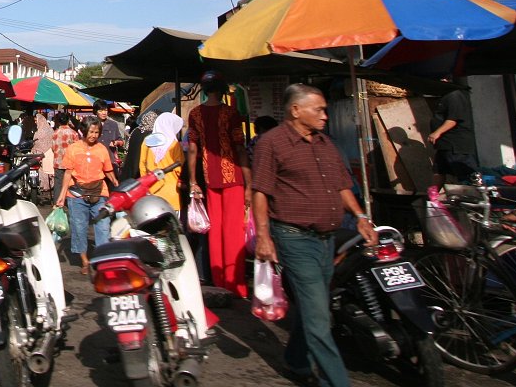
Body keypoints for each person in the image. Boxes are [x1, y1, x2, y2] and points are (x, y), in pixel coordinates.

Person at [253, 83, 377, 387]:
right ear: (296, 110)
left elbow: (342, 185)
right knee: (320, 316)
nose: (325, 115)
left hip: (327, 238)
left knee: (315, 305)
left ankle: (297, 360)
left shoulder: (325, 143)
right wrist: (264, 237)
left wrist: (361, 217)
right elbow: (260, 193)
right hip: (294, 238)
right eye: (319, 109)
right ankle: (336, 381)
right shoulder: (272, 143)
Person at [186, 70, 251, 298]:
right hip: (233, 177)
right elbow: (240, 148)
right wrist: (249, 183)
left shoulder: (195, 114)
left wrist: (194, 181)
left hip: (210, 178)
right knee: (233, 231)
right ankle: (236, 285)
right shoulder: (231, 113)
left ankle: (220, 283)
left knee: (215, 232)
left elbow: (192, 149)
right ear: (223, 89)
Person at [54, 118, 118, 275]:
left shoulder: (102, 149)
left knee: (103, 226)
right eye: (91, 132)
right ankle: (85, 261)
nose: (94, 135)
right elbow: (68, 173)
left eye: (97, 132)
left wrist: (116, 183)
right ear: (84, 131)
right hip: (77, 194)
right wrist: (61, 196)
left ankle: (102, 260)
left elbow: (108, 170)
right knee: (79, 227)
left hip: (99, 192)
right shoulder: (73, 149)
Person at [428, 78, 479, 187]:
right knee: (439, 171)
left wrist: (437, 132)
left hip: (455, 146)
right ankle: (433, 198)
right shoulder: (446, 96)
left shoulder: (454, 96)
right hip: (445, 145)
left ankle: (479, 197)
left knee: (467, 175)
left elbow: (452, 120)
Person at [139, 112, 184, 211]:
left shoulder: (147, 142)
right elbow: (179, 169)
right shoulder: (174, 145)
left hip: (152, 191)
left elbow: (142, 166)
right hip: (172, 193)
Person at [51, 115, 80, 204]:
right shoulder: (73, 133)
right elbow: (77, 148)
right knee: (71, 183)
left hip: (58, 162)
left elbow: (53, 148)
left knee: (58, 184)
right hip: (71, 163)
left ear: (58, 122)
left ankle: (57, 203)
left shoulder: (54, 133)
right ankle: (72, 202)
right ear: (68, 121)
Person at [95, 100, 124, 178]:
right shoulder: (92, 124)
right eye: (101, 110)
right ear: (96, 111)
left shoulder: (113, 124)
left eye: (106, 110)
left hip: (111, 161)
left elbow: (121, 141)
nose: (104, 113)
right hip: (95, 161)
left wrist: (116, 142)